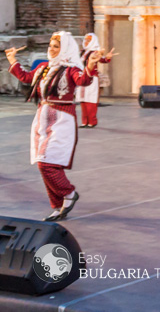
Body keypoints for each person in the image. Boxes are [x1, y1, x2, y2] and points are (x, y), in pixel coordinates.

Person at [5, 32, 100, 221]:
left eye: (56, 46)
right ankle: (57, 206)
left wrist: (91, 64)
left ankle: (69, 193)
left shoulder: (70, 69)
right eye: (50, 45)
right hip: (43, 117)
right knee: (45, 163)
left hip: (62, 118)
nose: (51, 48)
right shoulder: (44, 67)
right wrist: (12, 59)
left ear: (64, 48)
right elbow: (25, 77)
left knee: (46, 163)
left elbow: (84, 80)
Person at [75, 33, 115, 128]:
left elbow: (102, 59)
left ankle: (92, 121)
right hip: (82, 76)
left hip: (92, 78)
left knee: (91, 100)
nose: (86, 42)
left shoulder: (95, 52)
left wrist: (107, 57)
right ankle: (84, 122)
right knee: (83, 99)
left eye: (89, 40)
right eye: (85, 40)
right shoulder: (82, 52)